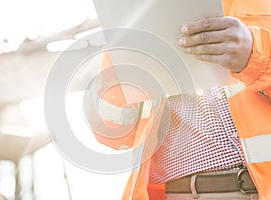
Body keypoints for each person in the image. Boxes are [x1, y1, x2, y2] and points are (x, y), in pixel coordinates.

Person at [90, 0, 271, 199]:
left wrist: (255, 56)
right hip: (179, 193)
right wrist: (113, 73)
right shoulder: (141, 17)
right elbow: (113, 136)